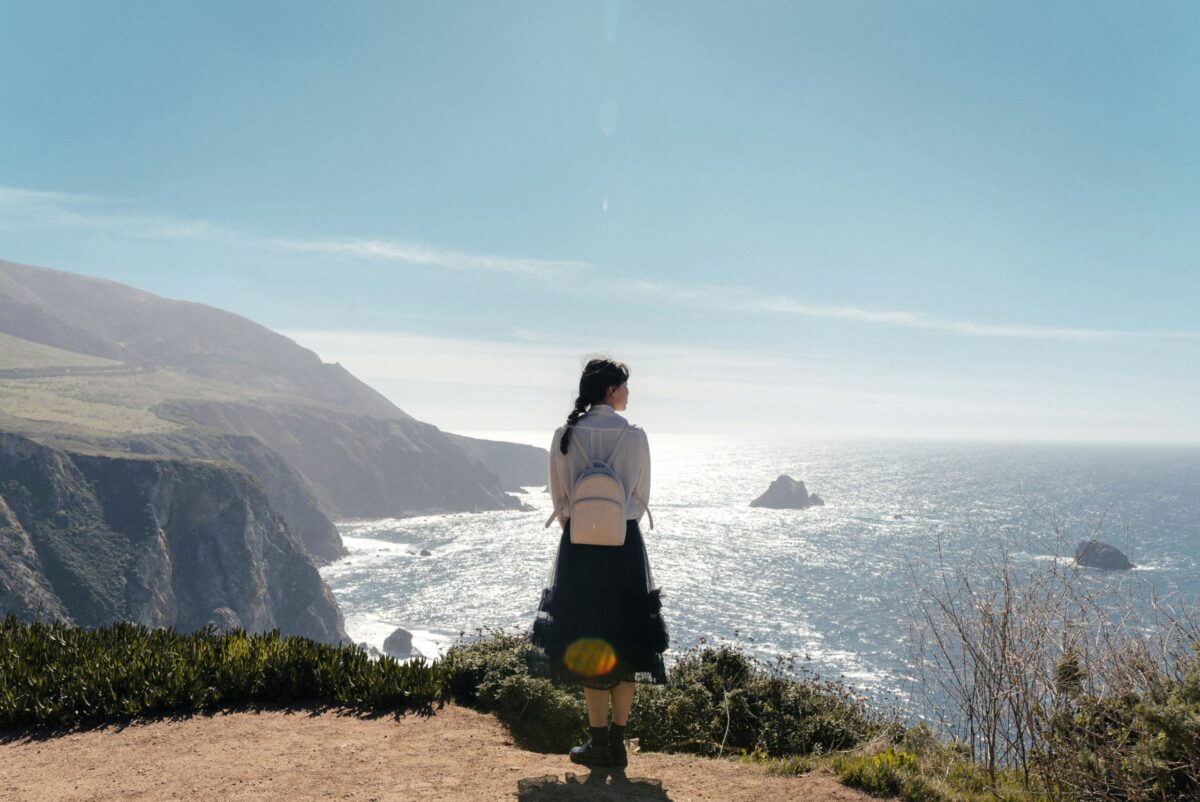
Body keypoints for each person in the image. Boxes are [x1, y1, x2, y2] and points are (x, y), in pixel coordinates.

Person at [528, 357, 670, 770]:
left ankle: (596, 742)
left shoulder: (566, 434)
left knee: (589, 639)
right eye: (624, 387)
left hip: (580, 549)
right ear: (611, 390)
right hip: (624, 545)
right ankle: (620, 744)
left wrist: (583, 524)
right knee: (627, 639)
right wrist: (618, 523)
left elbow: (559, 498)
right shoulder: (635, 437)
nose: (628, 394)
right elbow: (640, 496)